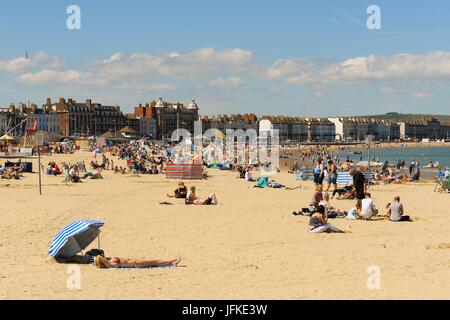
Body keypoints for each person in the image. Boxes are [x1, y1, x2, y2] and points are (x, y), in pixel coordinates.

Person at [94, 255, 181, 269]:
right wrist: (96, 260)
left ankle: (172, 262)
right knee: (155, 261)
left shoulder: (109, 262)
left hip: (135, 261)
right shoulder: (110, 265)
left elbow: (99, 257)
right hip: (135, 264)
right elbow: (98, 257)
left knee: (155, 261)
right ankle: (173, 261)